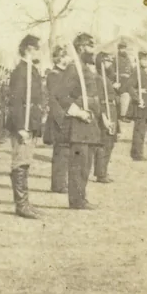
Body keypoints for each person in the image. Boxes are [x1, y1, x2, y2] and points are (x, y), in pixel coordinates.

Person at [51, 33, 103, 210]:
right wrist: (79, 113)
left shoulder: (84, 68)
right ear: (81, 48)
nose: (93, 51)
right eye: (91, 46)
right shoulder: (74, 69)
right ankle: (77, 200)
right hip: (79, 125)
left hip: (89, 124)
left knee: (85, 164)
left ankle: (81, 198)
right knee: (79, 165)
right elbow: (60, 95)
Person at [6, 34, 44, 219]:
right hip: (23, 124)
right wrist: (20, 127)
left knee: (25, 163)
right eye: (38, 49)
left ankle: (25, 202)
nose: (41, 53)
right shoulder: (21, 71)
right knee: (20, 163)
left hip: (32, 122)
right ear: (30, 49)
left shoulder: (31, 70)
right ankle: (21, 205)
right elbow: (15, 102)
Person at [44, 46, 71, 194]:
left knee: (65, 151)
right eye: (65, 56)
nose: (68, 59)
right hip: (59, 118)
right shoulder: (54, 75)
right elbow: (54, 99)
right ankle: (59, 184)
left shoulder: (64, 74)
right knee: (61, 151)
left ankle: (61, 182)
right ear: (60, 58)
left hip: (67, 116)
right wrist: (61, 118)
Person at [93, 52, 119, 183]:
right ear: (102, 63)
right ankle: (101, 173)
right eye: (107, 62)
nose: (110, 64)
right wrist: (103, 116)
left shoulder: (106, 78)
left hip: (112, 110)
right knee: (104, 143)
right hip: (105, 110)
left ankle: (104, 171)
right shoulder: (98, 79)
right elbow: (98, 99)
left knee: (110, 143)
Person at [129, 49, 147, 161]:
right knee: (139, 129)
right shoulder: (136, 72)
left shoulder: (144, 73)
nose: (145, 61)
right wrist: (137, 99)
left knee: (143, 129)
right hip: (140, 103)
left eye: (146, 59)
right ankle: (137, 154)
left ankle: (138, 152)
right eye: (143, 60)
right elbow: (130, 87)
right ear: (139, 60)